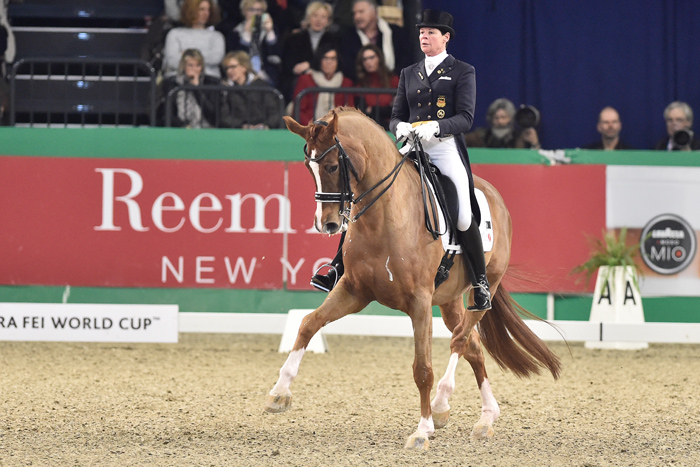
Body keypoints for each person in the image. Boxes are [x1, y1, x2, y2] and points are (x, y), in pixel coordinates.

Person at [311, 9, 492, 313]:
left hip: (444, 148)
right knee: (364, 197)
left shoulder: (463, 71)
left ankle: (480, 282)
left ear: (445, 37)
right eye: (422, 32)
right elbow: (396, 116)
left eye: (431, 32)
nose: (424, 37)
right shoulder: (410, 72)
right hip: (411, 148)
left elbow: (466, 117)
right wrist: (400, 128)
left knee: (462, 215)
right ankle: (336, 267)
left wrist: (437, 127)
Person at [280, 1, 338, 102]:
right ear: (308, 17)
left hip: (326, 78)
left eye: (323, 17)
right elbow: (288, 64)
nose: (318, 20)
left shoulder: (334, 40)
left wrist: (310, 65)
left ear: (328, 21)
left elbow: (337, 62)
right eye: (315, 15)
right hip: (299, 79)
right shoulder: (294, 38)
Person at [338, 0, 410, 81]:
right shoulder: (347, 37)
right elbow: (347, 67)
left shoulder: (396, 33)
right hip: (361, 85)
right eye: (354, 13)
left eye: (361, 12)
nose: (357, 17)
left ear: (374, 12)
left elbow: (405, 61)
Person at [222, 0, 282, 86]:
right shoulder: (235, 32)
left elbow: (276, 56)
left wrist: (269, 32)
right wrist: (247, 33)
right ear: (244, 11)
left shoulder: (270, 29)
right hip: (243, 73)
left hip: (265, 73)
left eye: (260, 10)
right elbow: (237, 56)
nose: (256, 13)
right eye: (252, 10)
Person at [291, 44, 354, 125]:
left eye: (333, 58)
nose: (329, 62)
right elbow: (299, 111)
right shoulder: (305, 80)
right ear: (319, 60)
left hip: (338, 128)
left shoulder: (346, 83)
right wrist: (315, 127)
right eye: (325, 58)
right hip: (310, 127)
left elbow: (350, 112)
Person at [162, 0, 226, 78]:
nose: (206, 13)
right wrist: (201, 58)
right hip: (178, 78)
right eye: (202, 9)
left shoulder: (217, 36)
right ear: (191, 10)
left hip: (209, 79)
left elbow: (215, 58)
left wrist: (186, 55)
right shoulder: (174, 34)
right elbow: (172, 61)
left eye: (208, 10)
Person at [220, 50, 282, 129]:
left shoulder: (262, 86)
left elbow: (274, 112)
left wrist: (266, 125)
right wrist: (242, 126)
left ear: (244, 67)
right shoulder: (225, 88)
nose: (229, 71)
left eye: (233, 67)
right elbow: (224, 116)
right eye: (227, 68)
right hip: (238, 131)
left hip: (263, 130)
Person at [160, 48, 221, 127]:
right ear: (183, 66)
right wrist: (183, 125)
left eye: (198, 65)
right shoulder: (172, 83)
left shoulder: (211, 83)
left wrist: (196, 89)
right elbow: (168, 113)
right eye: (190, 65)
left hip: (206, 127)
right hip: (181, 128)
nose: (194, 69)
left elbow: (212, 114)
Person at [463, 98, 541, 149]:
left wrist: (535, 143)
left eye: (503, 117)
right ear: (491, 119)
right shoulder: (481, 136)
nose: (500, 121)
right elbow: (461, 141)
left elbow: (534, 158)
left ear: (510, 118)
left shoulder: (519, 138)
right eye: (496, 118)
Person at [354, 44, 398, 130]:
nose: (368, 62)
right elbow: (363, 112)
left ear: (379, 58)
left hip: (390, 128)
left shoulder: (393, 80)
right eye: (365, 59)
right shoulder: (360, 84)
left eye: (372, 57)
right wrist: (384, 109)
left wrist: (373, 109)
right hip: (369, 128)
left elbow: (396, 110)